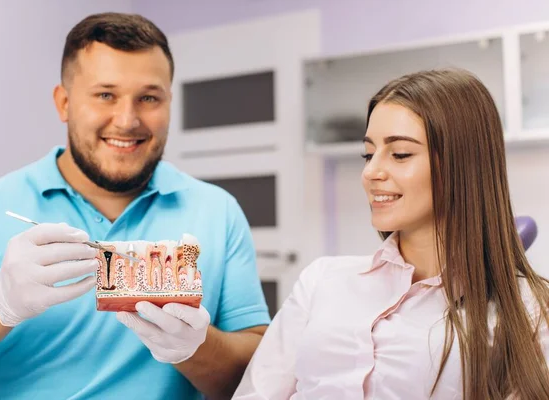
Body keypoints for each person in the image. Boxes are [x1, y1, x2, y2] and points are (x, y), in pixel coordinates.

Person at [0, 12, 270, 400]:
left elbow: (259, 379)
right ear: (64, 103)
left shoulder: (219, 213)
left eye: (149, 98)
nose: (128, 119)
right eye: (106, 95)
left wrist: (194, 347)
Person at [233, 68, 549, 399]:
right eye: (368, 154)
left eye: (400, 154)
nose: (370, 172)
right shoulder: (321, 280)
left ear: (463, 163)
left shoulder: (529, 310)